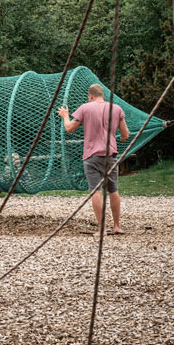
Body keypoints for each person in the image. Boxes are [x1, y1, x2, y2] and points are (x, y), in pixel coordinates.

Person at [57, 83, 129, 236]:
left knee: (96, 191)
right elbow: (125, 134)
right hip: (111, 155)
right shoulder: (116, 109)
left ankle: (102, 229)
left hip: (92, 156)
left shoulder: (85, 108)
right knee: (113, 190)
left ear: (90, 96)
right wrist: (120, 137)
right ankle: (117, 226)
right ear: (102, 94)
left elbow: (69, 128)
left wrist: (65, 116)